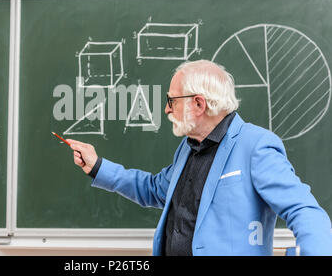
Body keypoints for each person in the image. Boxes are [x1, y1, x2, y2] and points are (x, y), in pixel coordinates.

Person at [67, 59, 332, 256]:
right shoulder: (188, 147)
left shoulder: (256, 146)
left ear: (198, 103)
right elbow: (154, 189)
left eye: (172, 100)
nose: (166, 108)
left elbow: (304, 210)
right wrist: (97, 166)